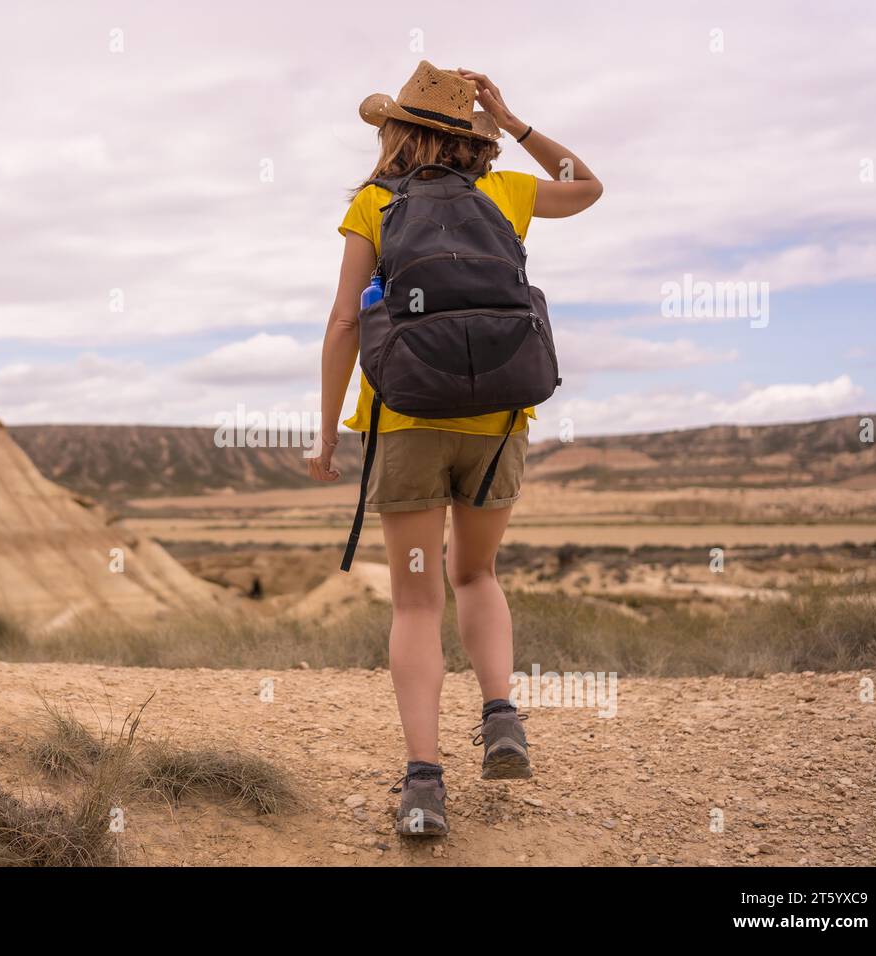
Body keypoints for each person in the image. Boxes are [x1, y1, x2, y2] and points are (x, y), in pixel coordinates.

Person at [309, 61, 602, 836]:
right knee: (475, 573)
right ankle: (502, 715)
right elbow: (589, 186)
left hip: (405, 418)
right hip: (500, 418)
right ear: (471, 136)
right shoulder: (506, 194)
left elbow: (344, 324)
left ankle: (424, 786)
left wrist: (327, 428)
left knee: (415, 598)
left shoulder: (374, 205)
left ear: (399, 133)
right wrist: (514, 119)